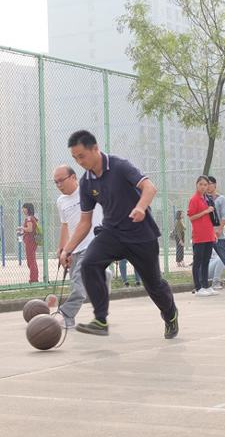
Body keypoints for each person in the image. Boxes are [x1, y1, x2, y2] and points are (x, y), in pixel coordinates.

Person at [60, 130, 178, 339]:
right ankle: (100, 319)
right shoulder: (86, 182)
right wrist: (67, 249)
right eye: (75, 158)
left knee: (154, 285)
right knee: (89, 263)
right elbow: (85, 222)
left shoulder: (119, 166)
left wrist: (141, 207)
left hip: (141, 234)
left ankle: (170, 314)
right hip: (112, 233)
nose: (79, 162)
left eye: (82, 156)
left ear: (95, 149)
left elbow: (149, 187)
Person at [54, 165, 112, 329]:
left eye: (61, 180)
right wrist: (62, 248)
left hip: (92, 244)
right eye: (56, 182)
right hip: (74, 248)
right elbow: (65, 225)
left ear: (73, 177)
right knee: (77, 283)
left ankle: (67, 315)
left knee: (79, 287)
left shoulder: (89, 191)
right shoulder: (60, 201)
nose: (59, 185)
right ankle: (104, 277)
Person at [188, 175, 218, 296]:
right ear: (196, 185)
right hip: (199, 235)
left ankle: (206, 285)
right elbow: (191, 217)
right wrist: (204, 211)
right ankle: (198, 287)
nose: (203, 187)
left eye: (205, 185)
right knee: (198, 261)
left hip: (209, 234)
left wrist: (213, 233)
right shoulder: (194, 199)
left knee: (206, 261)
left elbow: (211, 218)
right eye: (201, 184)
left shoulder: (207, 198)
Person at [18, 202, 39, 283]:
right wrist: (22, 233)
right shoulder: (33, 217)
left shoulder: (29, 218)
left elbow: (30, 229)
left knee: (30, 261)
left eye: (24, 208)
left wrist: (21, 228)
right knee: (32, 260)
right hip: (31, 240)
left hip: (30, 242)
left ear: (28, 209)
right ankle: (34, 278)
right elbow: (31, 231)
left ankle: (33, 279)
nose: (23, 210)